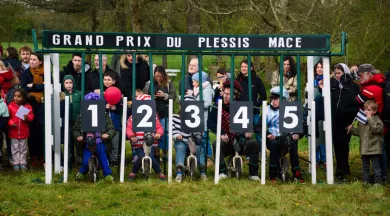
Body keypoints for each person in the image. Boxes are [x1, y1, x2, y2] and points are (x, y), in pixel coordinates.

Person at [208, 80, 260, 181]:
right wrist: (222, 133)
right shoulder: (217, 105)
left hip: (241, 141)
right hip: (227, 142)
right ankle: (222, 171)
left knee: (254, 143)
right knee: (216, 143)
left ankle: (253, 173)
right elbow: (210, 122)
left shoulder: (242, 107)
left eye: (228, 94)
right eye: (225, 93)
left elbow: (249, 124)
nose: (226, 96)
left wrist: (249, 131)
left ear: (235, 96)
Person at [257, 86, 304, 183]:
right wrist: (267, 134)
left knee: (293, 143)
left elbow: (302, 126)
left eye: (276, 99)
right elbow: (258, 126)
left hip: (287, 136)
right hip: (273, 137)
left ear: (283, 99)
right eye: (272, 98)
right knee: (274, 145)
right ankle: (273, 174)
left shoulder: (292, 109)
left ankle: (297, 172)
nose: (273, 101)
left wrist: (297, 134)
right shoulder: (267, 110)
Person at [355, 64, 387, 182]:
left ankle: (381, 177)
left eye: (361, 75)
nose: (359, 77)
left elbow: (357, 100)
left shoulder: (372, 88)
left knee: (379, 152)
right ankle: (380, 176)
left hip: (376, 124)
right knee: (381, 150)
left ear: (369, 73)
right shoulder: (378, 83)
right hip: (379, 122)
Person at [74, 92, 115, 182]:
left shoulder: (104, 116)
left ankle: (107, 174)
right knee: (85, 161)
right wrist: (78, 136)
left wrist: (107, 134)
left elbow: (111, 128)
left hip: (100, 142)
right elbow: (76, 129)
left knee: (103, 159)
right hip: (87, 143)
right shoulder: (81, 116)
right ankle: (81, 172)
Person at [126, 92, 166, 181]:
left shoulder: (153, 117)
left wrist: (158, 134)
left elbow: (159, 127)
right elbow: (128, 128)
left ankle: (159, 172)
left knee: (151, 156)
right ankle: (133, 172)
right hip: (138, 143)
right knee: (141, 156)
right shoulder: (132, 117)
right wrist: (132, 136)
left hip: (150, 142)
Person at [330, 63, 360, 181]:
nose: (337, 76)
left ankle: (345, 166)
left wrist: (352, 121)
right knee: (338, 145)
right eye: (336, 73)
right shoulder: (333, 86)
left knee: (344, 144)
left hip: (347, 121)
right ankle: (340, 168)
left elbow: (356, 105)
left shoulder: (353, 87)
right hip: (336, 121)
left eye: (339, 73)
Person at [143, 66, 177, 161]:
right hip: (152, 112)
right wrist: (151, 97)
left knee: (164, 132)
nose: (158, 78)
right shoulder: (150, 84)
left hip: (165, 112)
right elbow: (144, 96)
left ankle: (164, 153)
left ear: (164, 75)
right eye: (156, 76)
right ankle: (156, 153)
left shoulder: (169, 84)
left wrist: (164, 95)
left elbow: (174, 96)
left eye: (160, 76)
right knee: (154, 133)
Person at [348, 100, 383, 185]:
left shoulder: (377, 120)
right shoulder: (362, 121)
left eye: (369, 110)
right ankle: (366, 181)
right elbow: (358, 133)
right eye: (365, 109)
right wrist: (351, 129)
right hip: (364, 148)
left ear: (374, 111)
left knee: (376, 167)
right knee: (365, 167)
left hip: (374, 148)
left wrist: (370, 118)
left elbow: (376, 129)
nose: (366, 111)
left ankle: (378, 182)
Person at [173, 95, 207, 182]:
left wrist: (197, 135)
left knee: (199, 148)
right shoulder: (175, 117)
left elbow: (199, 132)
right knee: (180, 147)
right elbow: (172, 130)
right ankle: (179, 172)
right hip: (181, 141)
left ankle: (202, 171)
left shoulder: (195, 119)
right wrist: (177, 135)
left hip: (192, 141)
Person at [236, 59, 267, 153]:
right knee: (244, 134)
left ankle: (262, 154)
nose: (243, 68)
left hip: (254, 111)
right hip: (242, 112)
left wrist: (256, 104)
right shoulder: (237, 80)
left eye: (245, 66)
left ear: (251, 68)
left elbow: (263, 95)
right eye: (242, 66)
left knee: (259, 133)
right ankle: (248, 154)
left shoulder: (257, 80)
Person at [21, 52, 45, 167]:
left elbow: (48, 86)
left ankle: (42, 156)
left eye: (34, 59)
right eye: (31, 59)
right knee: (31, 131)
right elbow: (24, 88)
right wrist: (40, 86)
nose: (31, 61)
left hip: (42, 105)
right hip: (29, 104)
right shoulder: (25, 73)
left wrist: (34, 86)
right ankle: (33, 157)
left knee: (41, 130)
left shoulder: (45, 72)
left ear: (40, 61)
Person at [7, 88, 34, 171]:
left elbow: (32, 117)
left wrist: (27, 118)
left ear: (23, 98)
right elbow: (7, 118)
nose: (16, 98)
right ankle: (16, 163)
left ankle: (22, 163)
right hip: (13, 132)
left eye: (19, 96)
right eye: (15, 96)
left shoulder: (27, 106)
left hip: (23, 132)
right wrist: (11, 123)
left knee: (23, 148)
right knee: (15, 148)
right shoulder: (10, 106)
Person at [61, 75, 82, 170]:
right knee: (68, 142)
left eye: (70, 83)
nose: (68, 85)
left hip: (77, 122)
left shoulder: (79, 94)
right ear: (63, 84)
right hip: (67, 122)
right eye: (66, 83)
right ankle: (69, 161)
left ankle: (80, 161)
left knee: (78, 142)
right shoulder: (61, 95)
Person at [102, 70, 123, 166]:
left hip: (115, 123)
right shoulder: (101, 95)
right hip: (104, 123)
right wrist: (104, 107)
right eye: (105, 79)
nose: (106, 81)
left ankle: (114, 159)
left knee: (115, 142)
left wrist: (116, 107)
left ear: (114, 81)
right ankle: (105, 159)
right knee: (105, 142)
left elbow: (122, 108)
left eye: (109, 80)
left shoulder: (118, 93)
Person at [313, 59, 326, 168]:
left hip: (325, 109)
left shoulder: (329, 80)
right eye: (317, 67)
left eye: (321, 67)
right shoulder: (313, 80)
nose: (319, 69)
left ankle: (325, 157)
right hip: (315, 110)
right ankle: (317, 157)